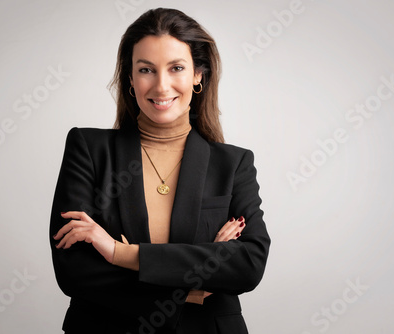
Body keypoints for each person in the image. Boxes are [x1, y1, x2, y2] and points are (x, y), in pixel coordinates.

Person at [50, 8, 270, 334]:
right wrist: (193, 288)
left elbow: (248, 265)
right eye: (146, 70)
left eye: (177, 68)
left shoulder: (233, 163)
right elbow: (75, 271)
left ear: (198, 74)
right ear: (130, 77)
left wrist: (118, 253)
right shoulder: (88, 148)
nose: (161, 85)